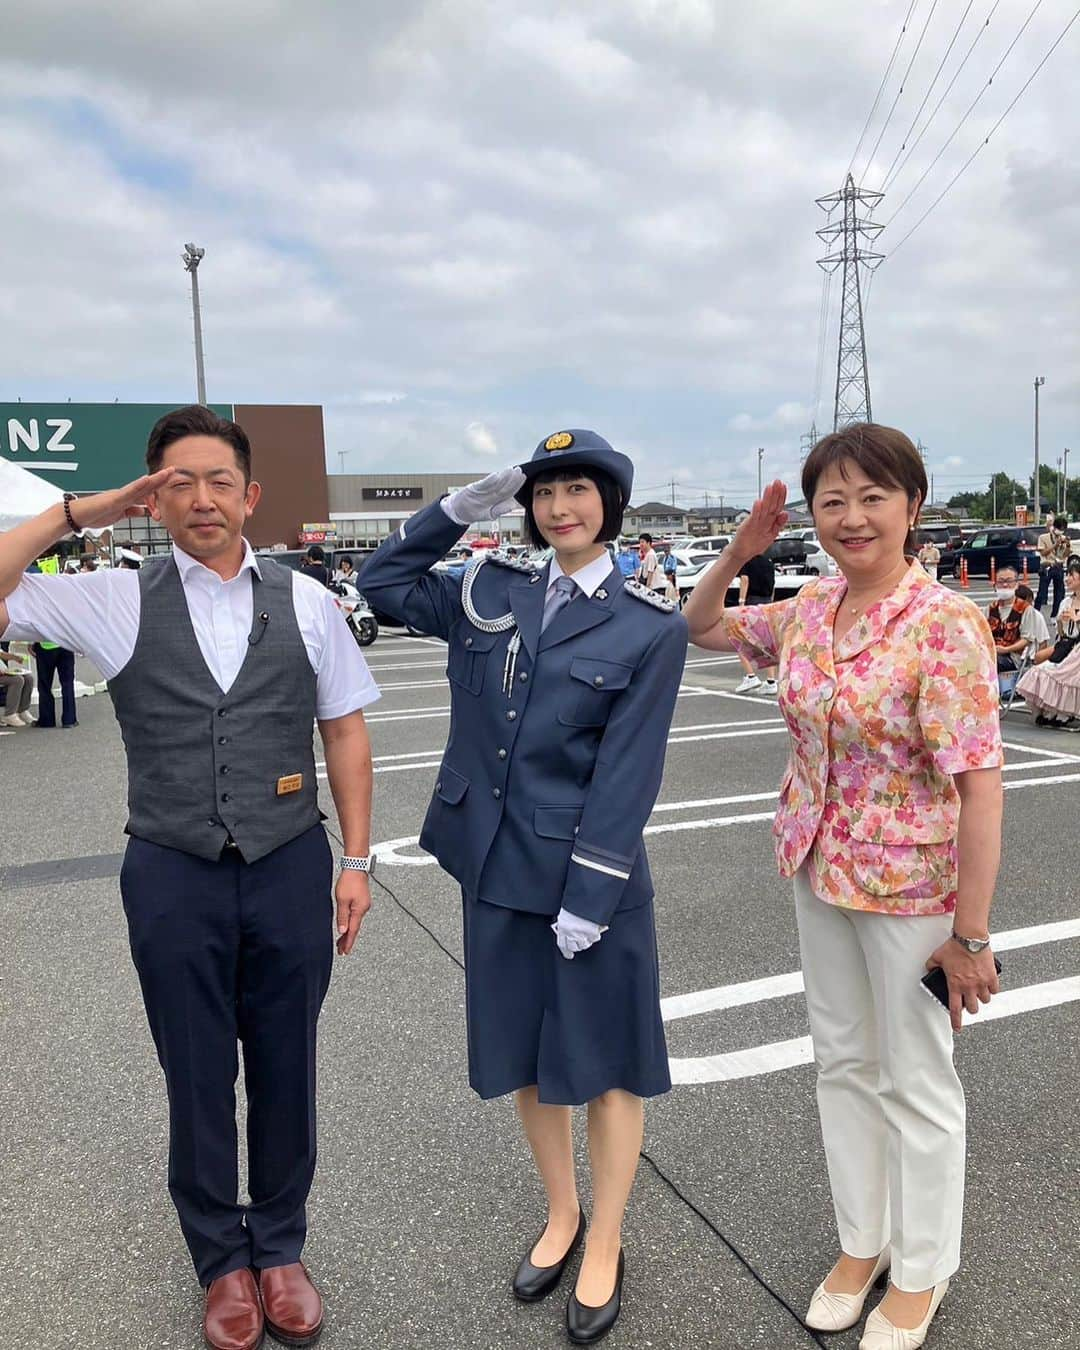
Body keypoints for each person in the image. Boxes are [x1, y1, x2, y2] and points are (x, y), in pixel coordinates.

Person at [0, 404, 380, 1350]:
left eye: (219, 481)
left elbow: (344, 729)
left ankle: (281, 1246)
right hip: (171, 870)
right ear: (153, 499)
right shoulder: (115, 597)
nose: (201, 498)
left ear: (251, 496)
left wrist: (358, 862)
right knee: (197, 1075)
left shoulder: (307, 601)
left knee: (287, 1065)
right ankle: (221, 1259)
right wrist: (79, 513)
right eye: (178, 481)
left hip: (291, 860)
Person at [361, 429, 687, 1346]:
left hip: (592, 880)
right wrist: (454, 511)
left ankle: (607, 1237)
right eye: (544, 494)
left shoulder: (646, 624)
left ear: (610, 505)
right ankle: (561, 1213)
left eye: (579, 491)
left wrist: (591, 893)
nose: (560, 508)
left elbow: (629, 773)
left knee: (610, 1064)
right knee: (527, 1059)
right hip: (495, 868)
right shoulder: (490, 591)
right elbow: (382, 587)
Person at [684, 423, 1003, 1350]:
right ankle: (861, 1244)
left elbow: (982, 783)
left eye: (873, 497)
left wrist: (971, 935)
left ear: (912, 505)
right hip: (817, 866)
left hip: (912, 889)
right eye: (833, 501)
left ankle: (924, 1267)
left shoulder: (944, 623)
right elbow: (700, 626)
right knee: (844, 1065)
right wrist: (742, 556)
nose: (853, 517)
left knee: (918, 1078)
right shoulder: (810, 607)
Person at [987, 568, 1050, 697]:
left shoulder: (1026, 609)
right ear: (995, 585)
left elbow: (1026, 640)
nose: (1005, 585)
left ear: (1016, 584)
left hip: (1014, 658)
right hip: (993, 653)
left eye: (1009, 581)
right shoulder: (989, 608)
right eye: (1000, 581)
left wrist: (1005, 649)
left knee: (988, 660)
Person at [733, 551, 777, 695]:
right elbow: (773, 584)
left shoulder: (747, 560)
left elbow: (744, 580)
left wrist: (741, 602)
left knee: (740, 639)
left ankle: (751, 676)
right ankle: (771, 680)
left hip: (751, 601)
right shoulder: (769, 562)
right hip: (766, 602)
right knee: (766, 643)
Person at [1031, 560, 1080, 666]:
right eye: (1067, 575)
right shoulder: (1066, 602)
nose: (1067, 579)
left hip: (1077, 647)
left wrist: (1077, 620)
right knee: (1038, 657)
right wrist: (1060, 622)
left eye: (1071, 575)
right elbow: (1061, 634)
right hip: (1066, 644)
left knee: (1049, 668)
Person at [32, 636, 79, 728]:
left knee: (44, 685)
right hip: (65, 644)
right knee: (67, 684)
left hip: (44, 644)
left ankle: (47, 720)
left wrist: (30, 642)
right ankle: (69, 719)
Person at [1034, 514, 1071, 617]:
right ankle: (1035, 614)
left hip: (1058, 567)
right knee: (1042, 593)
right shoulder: (1043, 537)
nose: (1061, 531)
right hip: (1047, 567)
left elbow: (1065, 555)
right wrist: (1055, 544)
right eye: (1060, 529)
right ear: (1054, 527)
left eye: (1063, 529)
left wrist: (1067, 545)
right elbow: (1043, 553)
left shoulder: (1063, 538)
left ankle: (1054, 615)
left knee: (1059, 594)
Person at [0, 644, 35, 726]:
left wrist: (15, 657)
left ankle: (23, 710)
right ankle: (9, 714)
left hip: (2, 670)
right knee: (17, 680)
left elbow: (1, 653)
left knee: (29, 678)